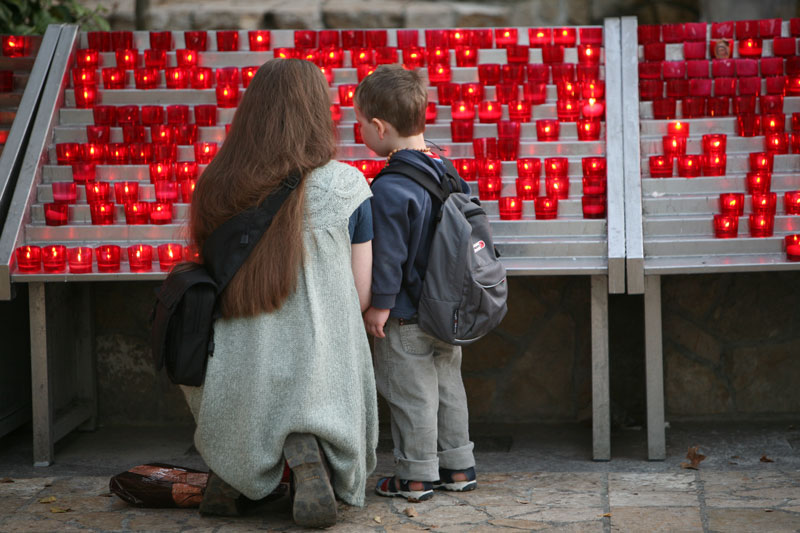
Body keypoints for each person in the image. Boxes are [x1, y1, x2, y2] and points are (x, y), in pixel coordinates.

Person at [182, 58, 378, 528]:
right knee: (327, 364)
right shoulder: (346, 184)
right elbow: (360, 294)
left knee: (246, 372)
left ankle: (234, 470)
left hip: (237, 360)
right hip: (320, 360)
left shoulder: (215, 184)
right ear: (317, 112)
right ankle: (310, 448)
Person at [356, 65, 477, 502]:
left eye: (359, 124)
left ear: (379, 127)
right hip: (448, 309)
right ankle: (458, 466)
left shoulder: (391, 187)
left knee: (412, 396)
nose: (359, 132)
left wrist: (380, 305)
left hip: (407, 314)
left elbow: (389, 255)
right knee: (448, 388)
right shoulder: (446, 169)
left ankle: (416, 476)